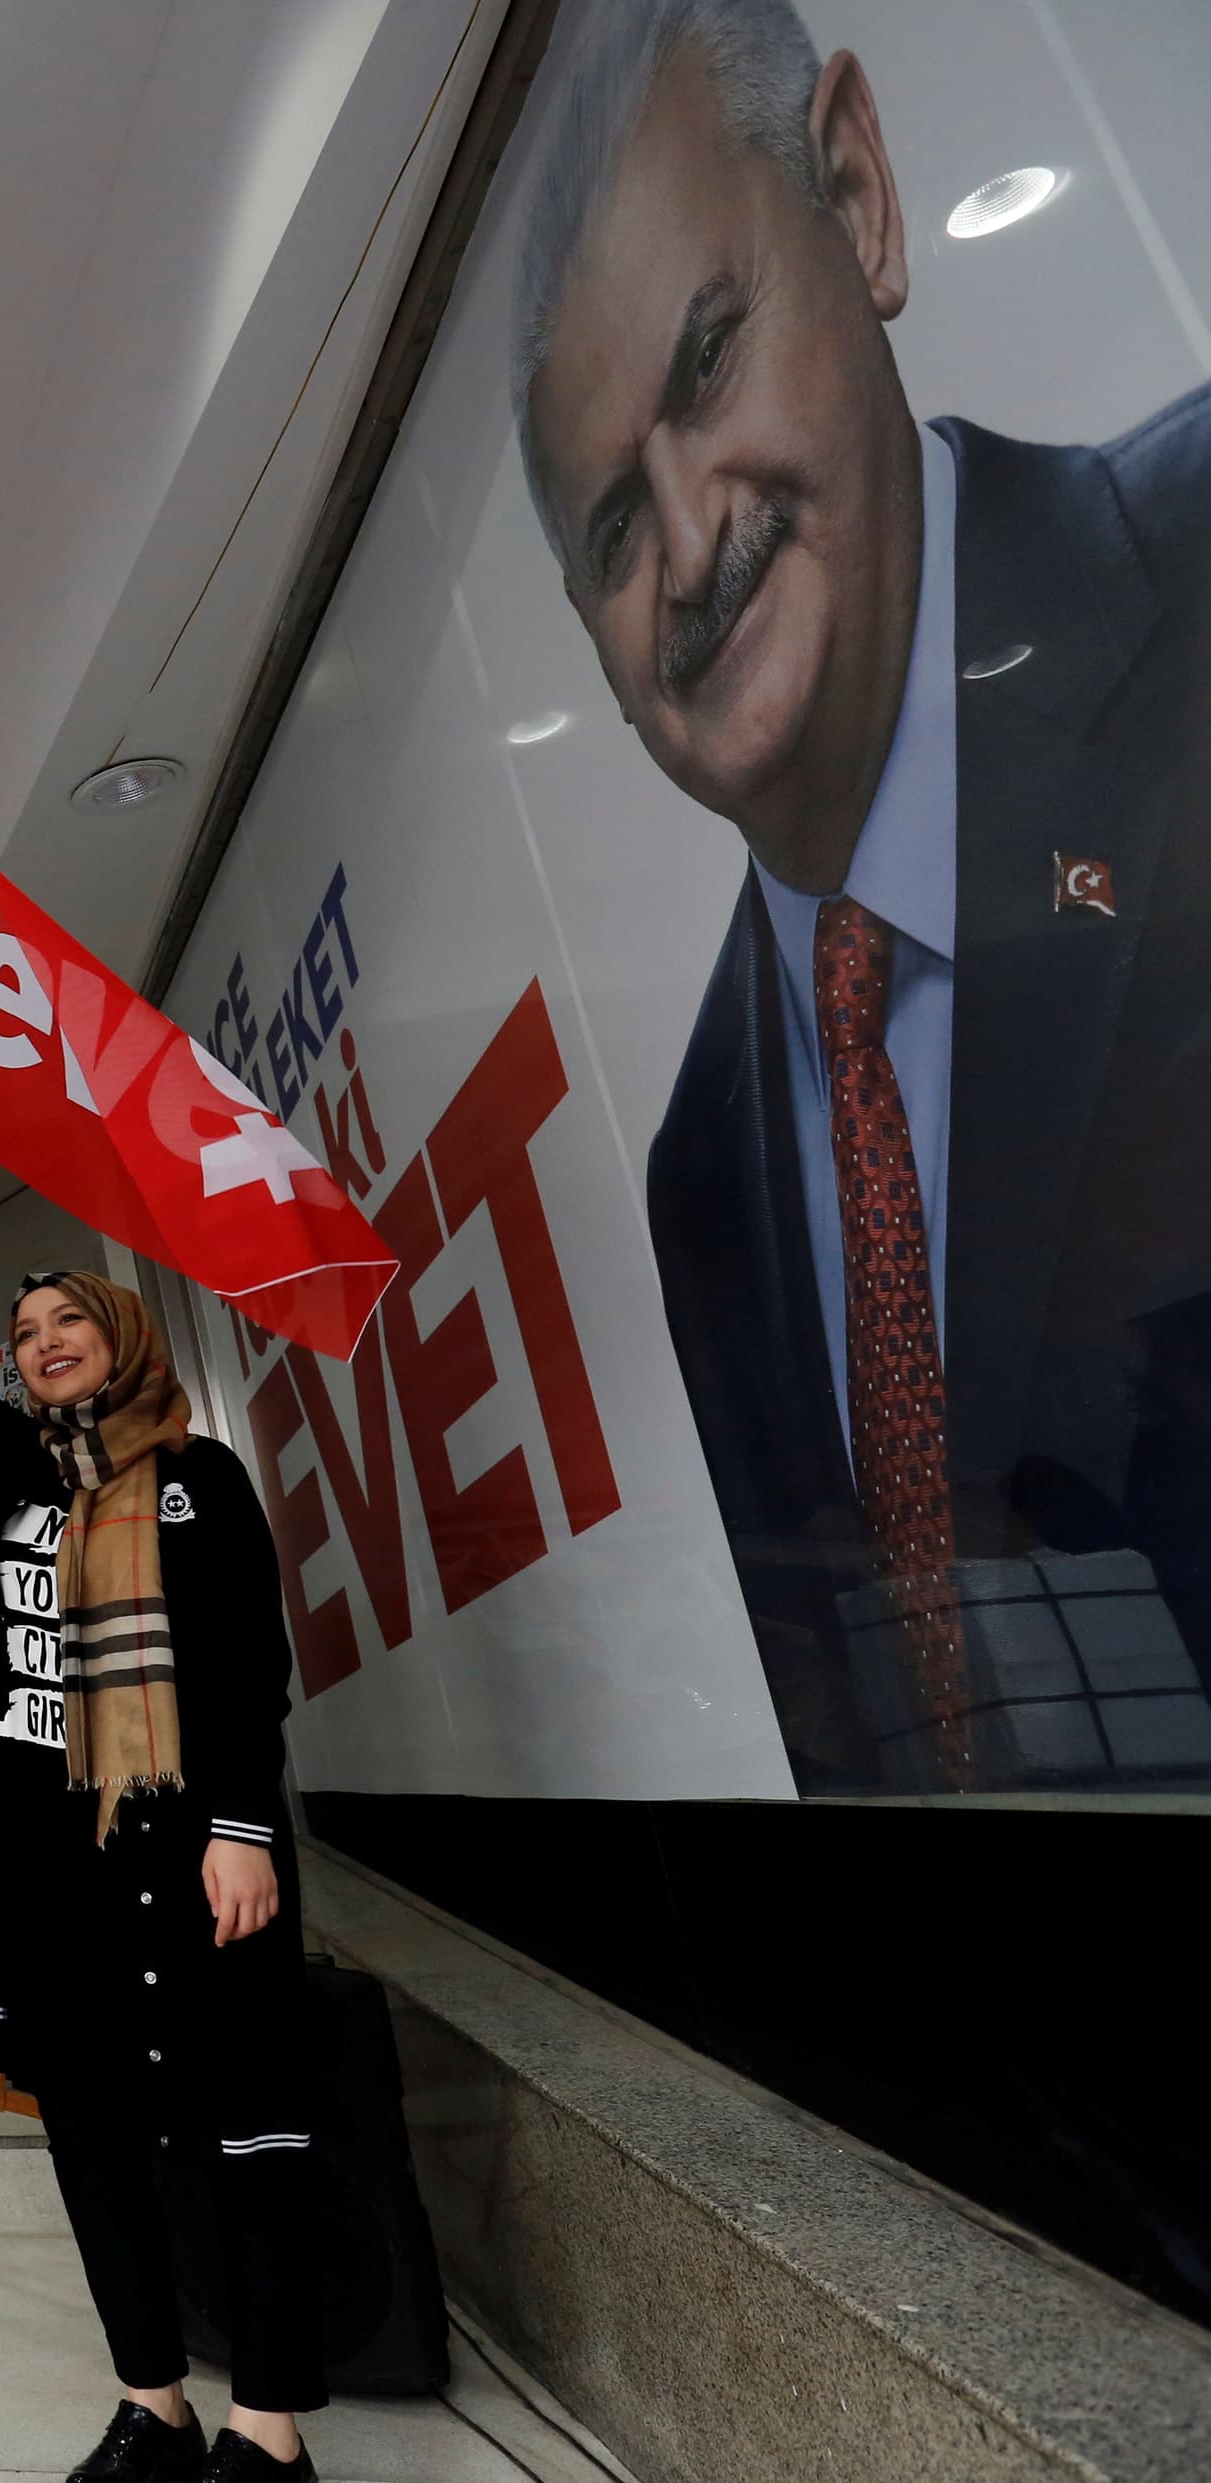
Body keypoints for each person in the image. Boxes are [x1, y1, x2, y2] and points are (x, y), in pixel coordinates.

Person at [509, 0, 1211, 1787]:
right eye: (606, 534)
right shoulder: (706, 1161)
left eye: (707, 361)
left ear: (862, 198)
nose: (686, 543)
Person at [0, 1149, 326, 2483]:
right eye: (26, 1335)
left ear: (120, 1339)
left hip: (194, 1857)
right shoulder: (22, 1480)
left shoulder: (200, 1482)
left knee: (250, 2133)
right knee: (95, 2142)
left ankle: (272, 2430)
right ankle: (156, 2402)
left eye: (70, 1322)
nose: (44, 1344)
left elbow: (247, 1671)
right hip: (58, 1874)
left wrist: (242, 1829)